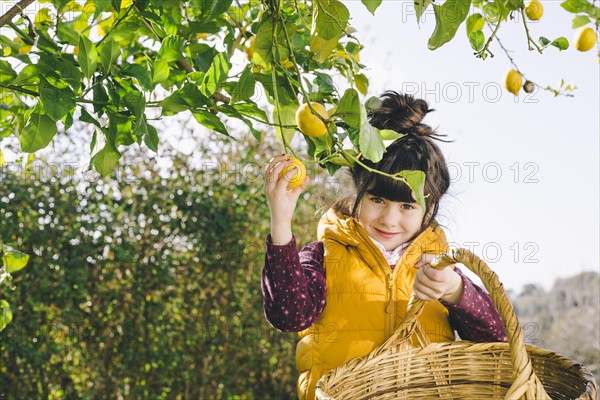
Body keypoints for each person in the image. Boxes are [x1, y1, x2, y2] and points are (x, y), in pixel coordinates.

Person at [262, 91, 507, 400]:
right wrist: (281, 224)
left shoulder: (438, 269)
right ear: (358, 194)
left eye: (407, 207)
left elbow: (498, 342)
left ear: (429, 211)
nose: (389, 220)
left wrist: (456, 291)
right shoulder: (325, 255)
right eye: (377, 199)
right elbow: (288, 315)